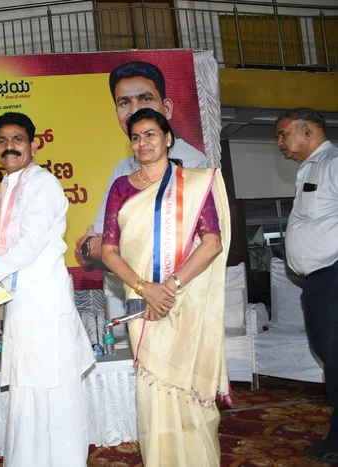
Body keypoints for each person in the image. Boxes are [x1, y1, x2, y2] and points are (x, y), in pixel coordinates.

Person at [0, 112, 95, 466]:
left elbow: (31, 246)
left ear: (33, 144)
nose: (9, 147)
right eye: (2, 141)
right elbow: (20, 244)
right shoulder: (12, 183)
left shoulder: (42, 183)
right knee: (27, 388)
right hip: (21, 300)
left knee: (51, 391)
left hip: (42, 301)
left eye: (17, 139)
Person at [100, 108, 230, 467]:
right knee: (153, 388)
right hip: (139, 300)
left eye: (150, 134)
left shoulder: (194, 183)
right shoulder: (121, 188)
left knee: (188, 387)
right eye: (135, 137)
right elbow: (109, 252)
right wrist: (146, 288)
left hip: (186, 298)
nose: (142, 143)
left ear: (168, 138)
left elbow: (212, 243)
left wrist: (169, 287)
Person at [75, 60, 207, 270]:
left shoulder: (192, 163)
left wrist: (97, 247)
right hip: (130, 283)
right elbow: (99, 239)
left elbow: (165, 240)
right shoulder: (122, 170)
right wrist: (95, 247)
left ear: (167, 108)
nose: (134, 110)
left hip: (175, 281)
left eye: (145, 99)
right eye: (124, 102)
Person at [277, 108, 338, 464]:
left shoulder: (333, 164)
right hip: (318, 283)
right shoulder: (309, 169)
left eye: (283, 134)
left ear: (309, 131)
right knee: (330, 360)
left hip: (333, 277)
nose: (279, 142)